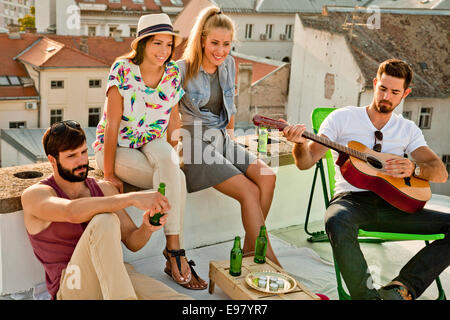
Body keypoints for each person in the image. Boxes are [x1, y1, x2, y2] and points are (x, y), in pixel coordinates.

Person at [283, 58, 450, 300]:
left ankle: (402, 289)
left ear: (406, 93)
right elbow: (305, 161)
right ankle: (368, 297)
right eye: (382, 89)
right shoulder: (342, 119)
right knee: (336, 221)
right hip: (351, 202)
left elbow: (440, 172)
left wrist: (414, 169)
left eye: (394, 92)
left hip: (395, 205)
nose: (386, 96)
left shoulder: (408, 129)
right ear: (374, 84)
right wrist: (298, 145)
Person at [92, 13, 207, 290]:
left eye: (169, 45)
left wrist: (171, 154)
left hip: (152, 141)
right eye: (158, 43)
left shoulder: (171, 74)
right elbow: (111, 125)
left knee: (171, 167)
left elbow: (174, 121)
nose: (164, 51)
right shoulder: (121, 69)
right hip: (118, 145)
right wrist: (109, 174)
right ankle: (175, 253)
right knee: (176, 179)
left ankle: (173, 250)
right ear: (142, 43)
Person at [21, 121, 193, 300]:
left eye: (84, 152)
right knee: (105, 220)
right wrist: (131, 199)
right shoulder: (36, 195)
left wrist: (147, 226)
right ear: (52, 160)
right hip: (74, 283)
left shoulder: (104, 189)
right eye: (72, 156)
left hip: (114, 275)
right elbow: (71, 212)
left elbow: (133, 242)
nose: (81, 161)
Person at [177, 6, 280, 266]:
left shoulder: (228, 65)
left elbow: (230, 105)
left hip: (221, 138)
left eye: (226, 44)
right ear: (201, 39)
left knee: (267, 176)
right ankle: (267, 257)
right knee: (248, 191)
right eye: (214, 43)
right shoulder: (181, 69)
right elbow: (166, 114)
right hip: (194, 142)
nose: (220, 51)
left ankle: (249, 248)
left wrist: (230, 140)